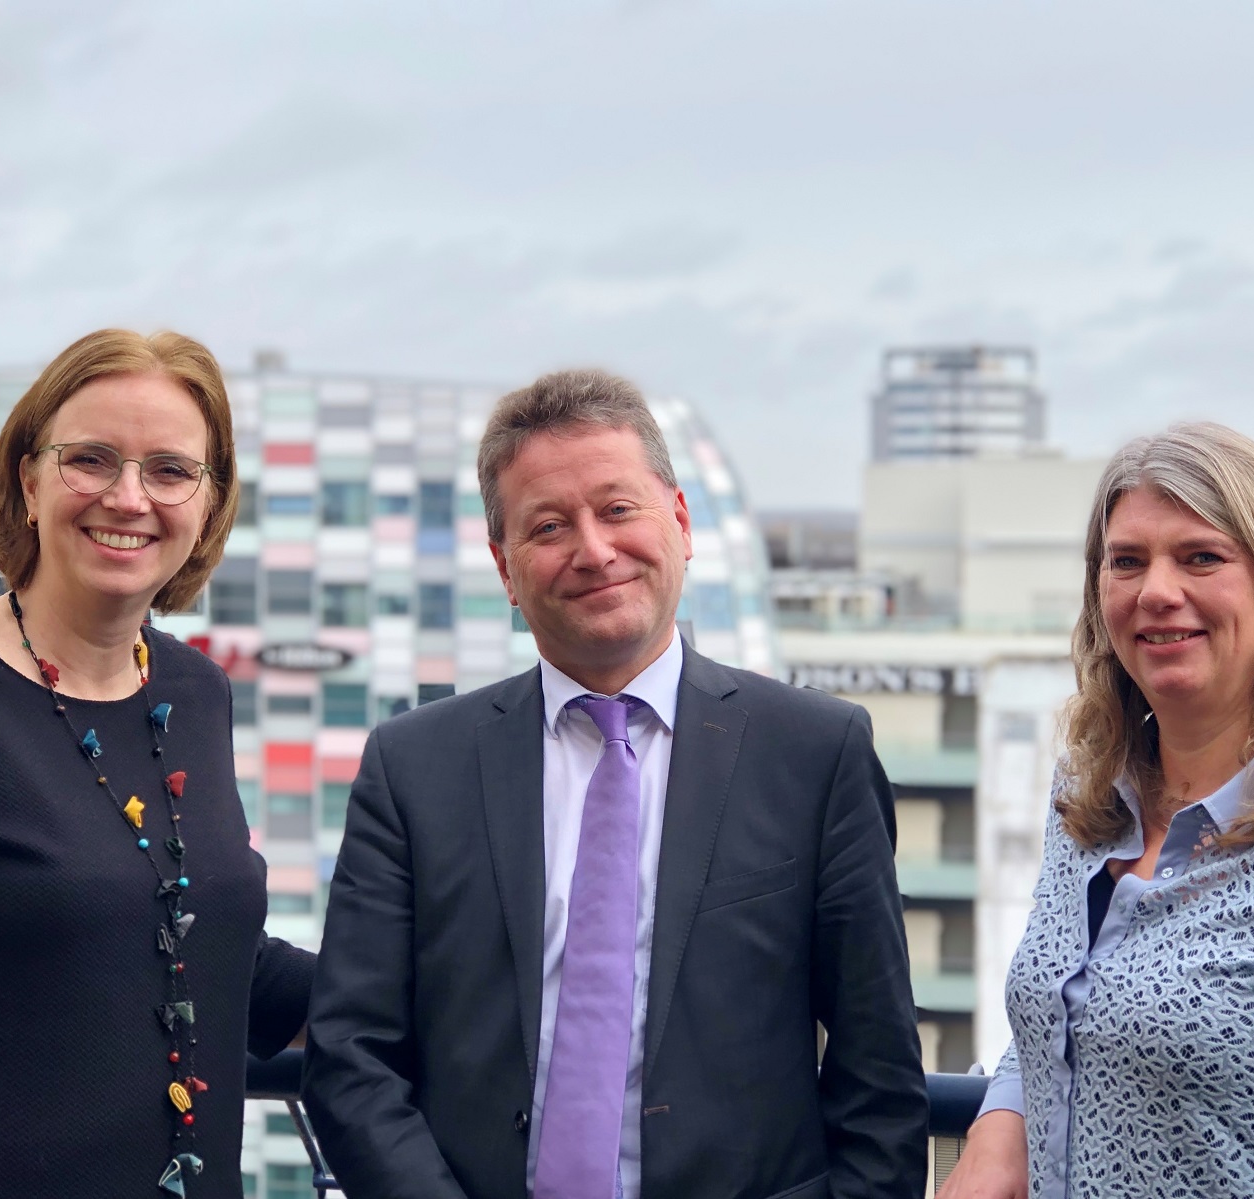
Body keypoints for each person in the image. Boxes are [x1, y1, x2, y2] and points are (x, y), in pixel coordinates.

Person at [304, 368, 928, 1199]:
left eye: (618, 509)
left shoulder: (816, 750)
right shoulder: (412, 767)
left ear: (679, 521)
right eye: (550, 525)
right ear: (505, 567)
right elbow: (350, 1055)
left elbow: (879, 1077)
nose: (593, 550)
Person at [0, 330, 313, 1198]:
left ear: (209, 505)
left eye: (171, 470)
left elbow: (186, 934)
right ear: (27, 481)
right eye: (90, 459)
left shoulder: (194, 691)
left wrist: (452, 988)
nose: (129, 497)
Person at [939, 422, 1254, 1199]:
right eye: (1127, 561)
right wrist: (1003, 1115)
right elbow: (1076, 1000)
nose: (1156, 591)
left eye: (1202, 557)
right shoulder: (1088, 792)